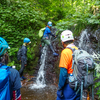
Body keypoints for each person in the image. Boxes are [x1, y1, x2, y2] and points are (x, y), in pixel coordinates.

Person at [56, 30, 80, 100]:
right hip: (78, 85)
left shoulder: (65, 52)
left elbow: (63, 73)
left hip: (69, 86)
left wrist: (60, 87)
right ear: (73, 40)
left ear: (62, 42)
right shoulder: (78, 50)